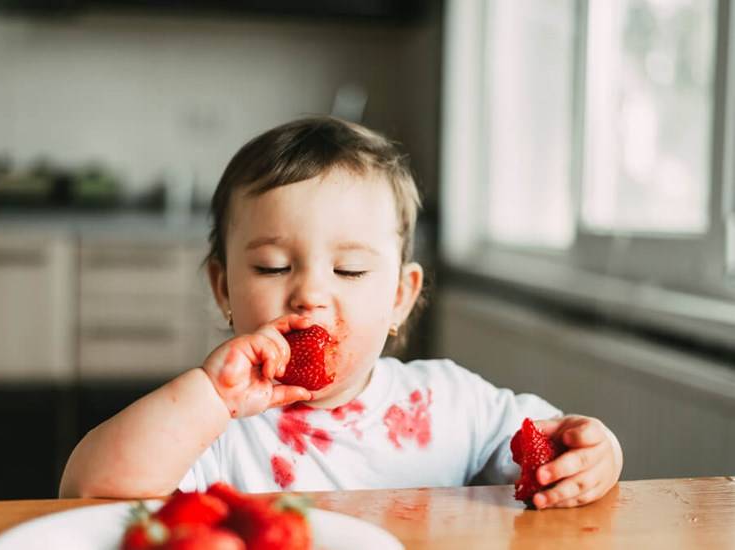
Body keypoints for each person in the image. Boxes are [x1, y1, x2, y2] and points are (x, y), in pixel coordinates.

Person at [60, 116, 623, 510]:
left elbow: (553, 452)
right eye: (273, 268)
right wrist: (210, 397)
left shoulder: (452, 405)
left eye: (350, 270)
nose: (310, 295)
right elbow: (87, 493)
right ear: (223, 288)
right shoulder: (213, 428)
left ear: (401, 296)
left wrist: (595, 457)